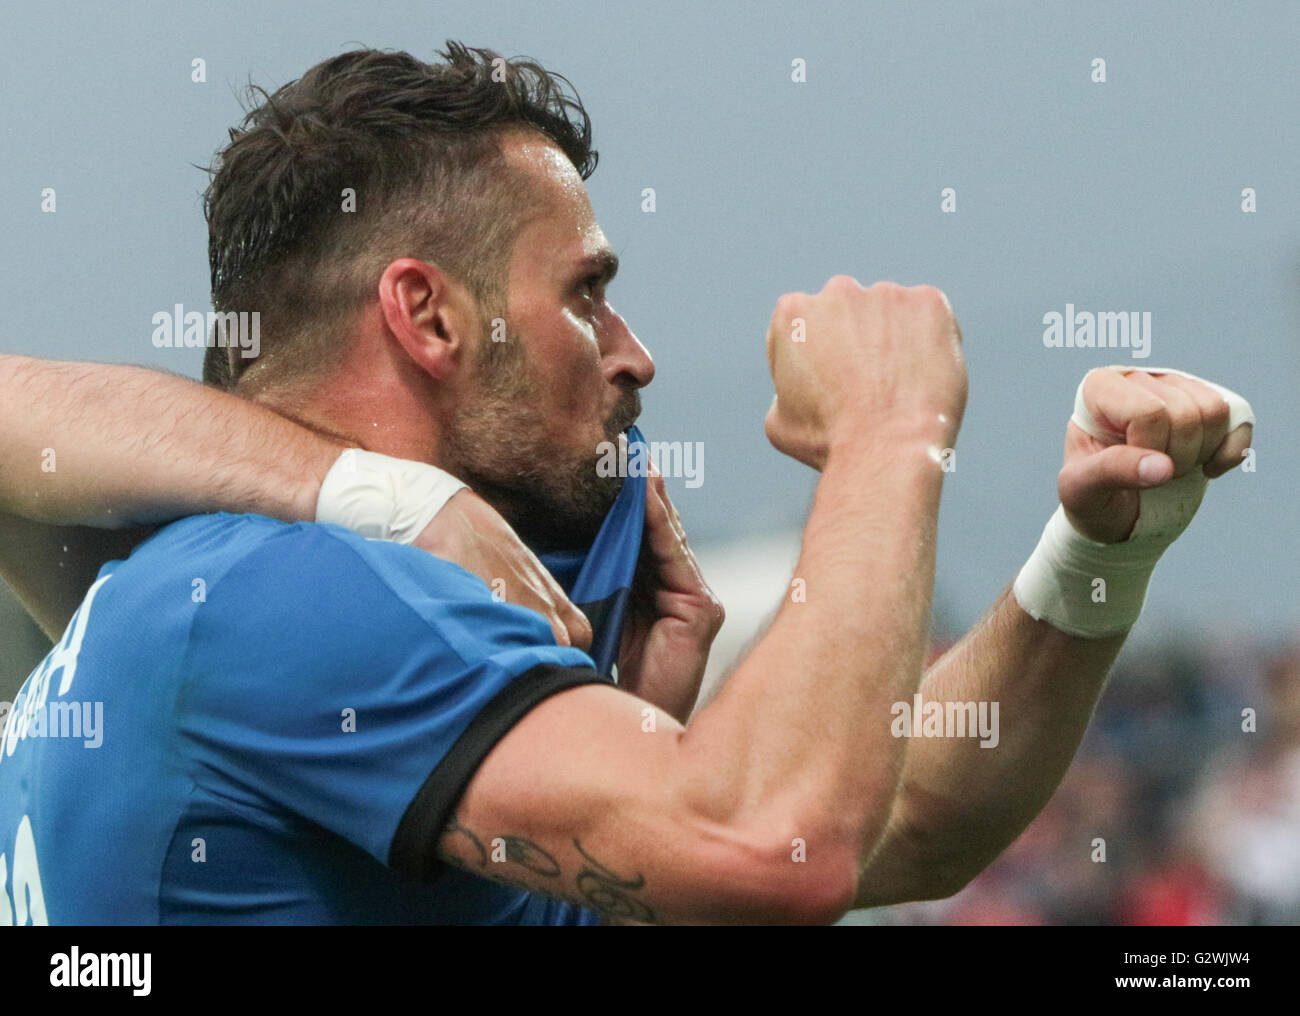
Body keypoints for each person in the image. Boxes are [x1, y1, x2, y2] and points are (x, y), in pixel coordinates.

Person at [0, 43, 1254, 925]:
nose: (632, 351)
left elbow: (903, 818)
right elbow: (774, 848)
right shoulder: (297, 587)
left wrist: (1095, 558)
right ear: (428, 317)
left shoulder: (176, 584)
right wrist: (890, 425)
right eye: (585, 292)